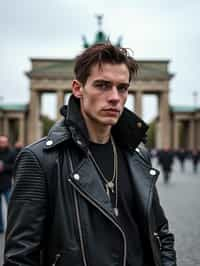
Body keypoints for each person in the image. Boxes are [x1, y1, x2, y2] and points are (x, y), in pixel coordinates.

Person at [4, 43, 176, 266]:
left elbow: (161, 233)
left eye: (122, 88)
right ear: (77, 88)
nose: (114, 97)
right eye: (103, 85)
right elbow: (20, 257)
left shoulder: (138, 155)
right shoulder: (40, 160)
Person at [0, 136, 15, 233]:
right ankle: (0, 227)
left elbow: (15, 167)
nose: (2, 144)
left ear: (7, 143)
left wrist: (3, 166)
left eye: (3, 142)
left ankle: (12, 226)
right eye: (0, 142)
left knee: (11, 206)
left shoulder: (11, 153)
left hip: (6, 184)